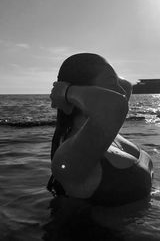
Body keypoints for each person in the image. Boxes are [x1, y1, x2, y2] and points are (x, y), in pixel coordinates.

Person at [47, 53, 153, 206]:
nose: (122, 91)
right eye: (112, 82)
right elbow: (116, 105)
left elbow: (126, 87)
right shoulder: (69, 155)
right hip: (105, 230)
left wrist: (108, 74)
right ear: (82, 91)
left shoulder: (104, 132)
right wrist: (65, 92)